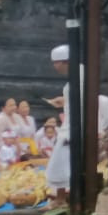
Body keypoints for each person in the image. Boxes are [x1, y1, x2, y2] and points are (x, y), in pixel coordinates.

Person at [44, 45, 72, 204]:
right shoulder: (75, 78)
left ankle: (62, 198)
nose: (55, 66)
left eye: (57, 63)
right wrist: (63, 101)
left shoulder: (80, 76)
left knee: (61, 160)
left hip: (74, 125)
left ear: (64, 62)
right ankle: (62, 196)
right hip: (69, 122)